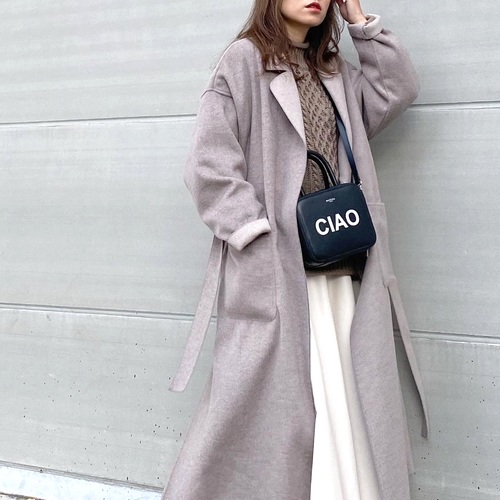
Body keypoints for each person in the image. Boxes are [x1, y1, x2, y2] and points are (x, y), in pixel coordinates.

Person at [163, 0, 429, 499]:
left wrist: (360, 24)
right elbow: (208, 164)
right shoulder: (244, 61)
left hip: (342, 264)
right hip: (281, 276)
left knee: (347, 398)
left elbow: (396, 90)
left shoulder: (333, 70)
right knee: (274, 410)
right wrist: (254, 232)